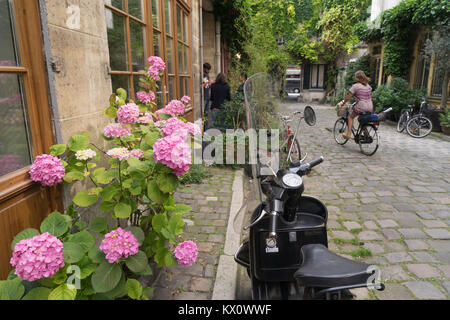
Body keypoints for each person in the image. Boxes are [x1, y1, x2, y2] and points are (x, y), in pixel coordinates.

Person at [338, 70, 374, 139]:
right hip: (370, 106)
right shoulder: (368, 86)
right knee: (361, 119)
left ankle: (348, 134)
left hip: (361, 106)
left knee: (351, 117)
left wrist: (343, 103)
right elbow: (369, 97)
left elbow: (348, 97)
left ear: (357, 78)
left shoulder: (355, 86)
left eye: (355, 77)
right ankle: (367, 135)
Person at [202, 63, 214, 129]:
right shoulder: (203, 75)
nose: (209, 71)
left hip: (207, 96)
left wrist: (210, 84)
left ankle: (205, 129)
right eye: (208, 69)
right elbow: (203, 85)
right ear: (204, 68)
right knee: (204, 113)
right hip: (203, 97)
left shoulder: (207, 75)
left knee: (206, 113)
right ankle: (203, 129)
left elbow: (207, 86)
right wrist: (209, 82)